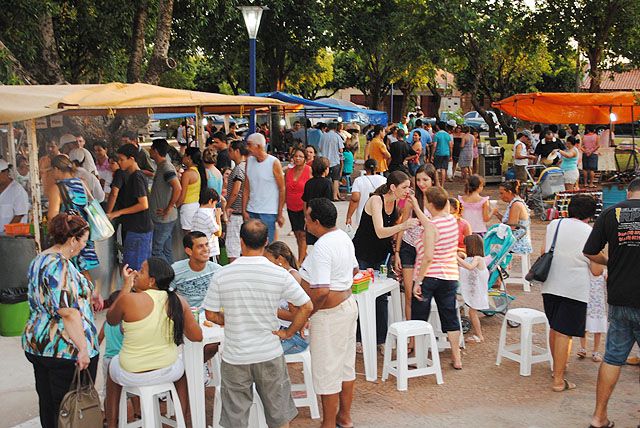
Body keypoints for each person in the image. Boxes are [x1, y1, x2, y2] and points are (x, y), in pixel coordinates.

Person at [204, 219, 313, 428]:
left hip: (236, 355)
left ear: (241, 242)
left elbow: (210, 314)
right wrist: (289, 333)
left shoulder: (223, 273)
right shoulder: (279, 273)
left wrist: (232, 319)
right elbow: (306, 307)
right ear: (266, 242)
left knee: (235, 419)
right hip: (269, 353)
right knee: (279, 416)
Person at [22, 213, 99, 428]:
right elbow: (68, 312)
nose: (84, 246)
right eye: (83, 241)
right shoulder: (60, 266)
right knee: (70, 410)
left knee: (49, 405)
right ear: (73, 239)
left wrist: (88, 294)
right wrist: (83, 348)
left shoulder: (40, 259)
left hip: (38, 343)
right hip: (64, 347)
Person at [105, 258, 203, 427]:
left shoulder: (129, 300)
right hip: (167, 370)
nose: (135, 274)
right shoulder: (178, 301)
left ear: (151, 281)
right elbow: (197, 336)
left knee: (112, 368)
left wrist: (126, 286)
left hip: (132, 372)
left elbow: (111, 318)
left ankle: (112, 424)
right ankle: (184, 422)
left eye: (141, 271)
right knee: (180, 372)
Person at [583, 178, 640, 428]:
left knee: (613, 358)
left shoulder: (610, 213)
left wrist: (611, 262)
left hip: (619, 298)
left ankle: (598, 417)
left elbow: (590, 251)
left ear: (629, 192)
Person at [299, 198, 359, 428]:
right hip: (346, 305)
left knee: (327, 371)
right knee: (344, 366)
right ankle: (344, 418)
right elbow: (354, 269)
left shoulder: (323, 245)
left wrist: (307, 312)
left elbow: (322, 289)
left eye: (306, 218)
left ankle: (328, 423)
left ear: (316, 222)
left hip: (330, 313)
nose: (305, 222)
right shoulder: (342, 236)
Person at [352, 171, 419, 347]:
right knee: (361, 295)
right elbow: (380, 231)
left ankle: (381, 339)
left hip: (382, 255)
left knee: (381, 297)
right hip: (362, 254)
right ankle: (360, 338)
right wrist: (404, 225)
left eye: (408, 187)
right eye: (404, 187)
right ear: (392, 187)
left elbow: (392, 228)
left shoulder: (396, 202)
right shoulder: (376, 200)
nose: (407, 191)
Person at [541, 194, 596, 392]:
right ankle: (558, 380)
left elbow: (543, 250)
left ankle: (558, 368)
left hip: (550, 284)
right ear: (590, 214)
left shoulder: (554, 225)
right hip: (574, 288)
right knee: (565, 334)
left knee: (555, 328)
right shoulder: (590, 232)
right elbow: (596, 270)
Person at [412, 186, 463, 369]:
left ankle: (419, 358)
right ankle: (456, 357)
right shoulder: (451, 220)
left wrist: (418, 280)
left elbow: (428, 257)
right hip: (449, 275)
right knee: (449, 315)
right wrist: (416, 208)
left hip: (429, 276)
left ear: (431, 203)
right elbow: (430, 222)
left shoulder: (432, 227)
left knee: (419, 317)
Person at [47, 155, 102, 307]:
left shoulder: (57, 188)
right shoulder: (82, 183)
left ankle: (76, 304)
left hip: (68, 236)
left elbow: (53, 216)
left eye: (52, 170)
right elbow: (90, 204)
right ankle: (90, 301)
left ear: (57, 169)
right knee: (85, 268)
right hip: (84, 232)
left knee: (71, 269)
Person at [394, 164, 436, 331]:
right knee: (410, 295)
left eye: (425, 179)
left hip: (428, 251)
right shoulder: (411, 200)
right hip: (408, 247)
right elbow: (402, 226)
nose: (421, 183)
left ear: (433, 180)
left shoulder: (438, 201)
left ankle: (423, 332)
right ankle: (411, 337)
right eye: (418, 180)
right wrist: (397, 252)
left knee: (423, 294)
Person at [108, 144, 153, 271]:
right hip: (135, 228)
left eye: (122, 159)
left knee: (135, 270)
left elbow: (143, 204)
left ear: (132, 159)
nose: (119, 163)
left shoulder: (137, 177)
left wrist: (118, 213)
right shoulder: (133, 176)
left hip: (139, 229)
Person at [265, 241, 309, 355]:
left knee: (258, 355)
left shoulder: (292, 277)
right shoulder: (282, 276)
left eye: (267, 260)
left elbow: (295, 316)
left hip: (293, 336)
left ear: (279, 259)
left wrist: (267, 309)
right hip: (283, 331)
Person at [242, 133, 286, 243]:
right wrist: (244, 209)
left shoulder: (273, 162)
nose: (247, 148)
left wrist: (280, 213)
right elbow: (246, 187)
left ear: (259, 146)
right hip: (252, 209)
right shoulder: (249, 161)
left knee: (268, 244)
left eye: (249, 145)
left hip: (269, 211)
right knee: (252, 243)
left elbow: (282, 188)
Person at [148, 139, 182, 263]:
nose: (150, 150)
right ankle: (172, 275)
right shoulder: (162, 167)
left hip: (164, 219)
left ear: (155, 151)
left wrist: (169, 207)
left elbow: (177, 187)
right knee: (166, 250)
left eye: (151, 148)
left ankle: (166, 276)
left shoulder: (166, 167)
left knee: (157, 250)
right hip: (163, 218)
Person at [171, 231, 221, 308]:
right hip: (186, 316)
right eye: (200, 246)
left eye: (207, 245)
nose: (206, 249)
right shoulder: (175, 270)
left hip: (211, 316)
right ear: (189, 251)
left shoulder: (217, 270)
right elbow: (165, 294)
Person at [457, 234, 489, 343]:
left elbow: (469, 267)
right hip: (476, 290)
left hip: (478, 291)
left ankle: (479, 335)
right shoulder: (472, 258)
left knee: (472, 312)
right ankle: (478, 334)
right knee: (472, 312)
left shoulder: (478, 259)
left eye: (466, 246)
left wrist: (456, 257)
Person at [286, 147, 312, 262]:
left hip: (304, 207)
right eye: (295, 156)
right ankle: (304, 255)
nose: (297, 158)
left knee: (302, 235)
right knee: (297, 233)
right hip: (291, 206)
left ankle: (300, 261)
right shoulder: (288, 171)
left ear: (305, 158)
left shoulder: (309, 170)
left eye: (300, 156)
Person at [578, 261, 607, 363]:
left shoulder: (604, 273)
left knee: (597, 330)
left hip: (598, 307)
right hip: (587, 305)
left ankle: (595, 351)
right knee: (583, 328)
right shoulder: (586, 272)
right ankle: (583, 348)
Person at [494, 180, 533, 255]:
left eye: (502, 193)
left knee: (492, 250)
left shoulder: (516, 205)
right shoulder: (513, 203)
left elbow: (511, 227)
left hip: (518, 242)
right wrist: (497, 214)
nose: (500, 196)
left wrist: (497, 230)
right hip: (516, 239)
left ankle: (501, 266)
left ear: (509, 192)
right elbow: (508, 222)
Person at [345, 159, 387, 228]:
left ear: (365, 168)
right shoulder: (384, 180)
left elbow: (355, 199)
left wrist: (349, 216)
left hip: (363, 216)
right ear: (376, 168)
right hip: (381, 215)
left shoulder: (359, 180)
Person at [225, 140, 248, 262]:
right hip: (242, 211)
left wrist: (227, 206)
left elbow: (235, 191)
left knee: (233, 247)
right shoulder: (246, 166)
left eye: (230, 150)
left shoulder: (239, 169)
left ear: (237, 151)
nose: (229, 153)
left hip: (236, 211)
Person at [177, 147, 206, 233]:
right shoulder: (198, 171)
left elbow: (182, 195)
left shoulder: (188, 174)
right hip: (195, 205)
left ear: (189, 158)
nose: (183, 157)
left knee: (188, 235)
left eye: (185, 156)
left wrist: (173, 207)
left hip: (187, 207)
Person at [190, 188, 222, 261]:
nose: (214, 206)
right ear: (210, 201)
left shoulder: (197, 213)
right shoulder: (207, 215)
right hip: (209, 251)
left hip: (199, 250)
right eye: (215, 203)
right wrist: (218, 217)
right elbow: (218, 233)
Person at [318, 122, 345, 201]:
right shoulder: (337, 136)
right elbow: (341, 149)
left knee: (325, 179)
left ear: (328, 128)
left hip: (324, 161)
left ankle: (325, 195)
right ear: (335, 128)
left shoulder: (323, 136)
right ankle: (335, 196)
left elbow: (319, 148)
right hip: (335, 161)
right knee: (335, 179)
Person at [0, 159, 29, 231]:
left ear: (6, 172)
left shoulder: (17, 190)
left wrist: (5, 234)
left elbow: (19, 216)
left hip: (13, 238)